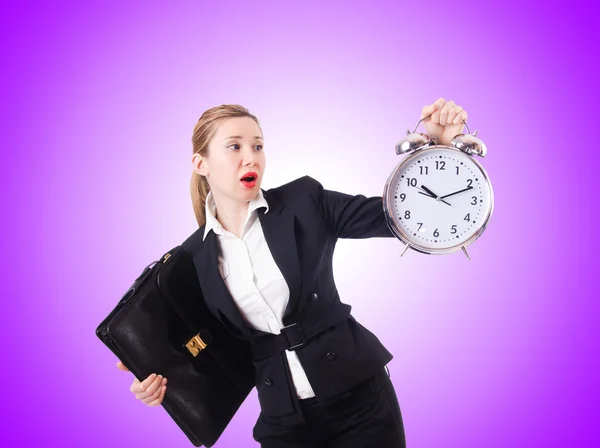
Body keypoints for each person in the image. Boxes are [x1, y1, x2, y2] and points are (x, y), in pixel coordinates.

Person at [116, 98, 469, 447]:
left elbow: (398, 216)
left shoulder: (304, 201)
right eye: (234, 146)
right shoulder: (192, 257)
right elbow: (201, 346)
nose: (251, 156)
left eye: (258, 145)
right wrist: (152, 375)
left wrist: (439, 148)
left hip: (359, 400)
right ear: (201, 163)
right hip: (283, 421)